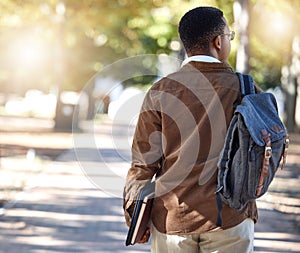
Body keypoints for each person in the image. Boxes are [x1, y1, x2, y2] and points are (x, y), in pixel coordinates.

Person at [123, 6, 258, 253]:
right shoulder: (245, 89)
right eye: (229, 36)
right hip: (230, 218)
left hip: (173, 220)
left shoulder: (160, 91)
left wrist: (135, 218)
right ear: (218, 42)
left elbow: (143, 164)